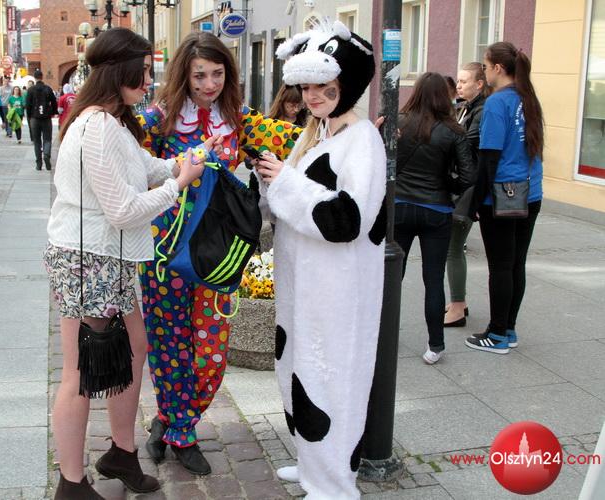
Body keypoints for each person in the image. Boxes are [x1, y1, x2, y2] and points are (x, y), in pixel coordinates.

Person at [44, 27, 217, 499]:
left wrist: (185, 161)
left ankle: (121, 452)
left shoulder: (114, 122)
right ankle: (71, 483)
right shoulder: (97, 126)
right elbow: (122, 210)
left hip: (110, 259)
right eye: (141, 72)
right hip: (88, 260)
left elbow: (145, 167)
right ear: (118, 71)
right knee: (80, 374)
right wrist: (178, 185)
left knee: (135, 348)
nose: (148, 81)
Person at [138, 32, 301, 475]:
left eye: (217, 74)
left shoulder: (238, 118)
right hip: (164, 251)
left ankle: (170, 421)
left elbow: (292, 140)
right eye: (199, 76)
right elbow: (123, 155)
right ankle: (182, 432)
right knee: (168, 344)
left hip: (217, 253)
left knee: (211, 350)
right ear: (183, 76)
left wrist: (344, 132)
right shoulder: (157, 119)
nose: (209, 84)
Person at [253, 22, 386, 498]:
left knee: (332, 378)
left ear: (345, 84)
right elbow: (293, 198)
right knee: (299, 369)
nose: (311, 96)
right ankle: (313, 461)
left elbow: (347, 219)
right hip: (304, 283)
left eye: (322, 86)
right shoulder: (316, 133)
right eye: (306, 87)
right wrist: (269, 178)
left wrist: (284, 181)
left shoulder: (362, 139)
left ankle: (334, 483)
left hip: (337, 289)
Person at [465, 42, 544, 354]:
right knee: (515, 264)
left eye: (485, 67)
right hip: (531, 191)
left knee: (500, 266)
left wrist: (473, 204)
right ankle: (508, 329)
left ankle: (497, 334)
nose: (484, 72)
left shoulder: (497, 102)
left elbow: (489, 158)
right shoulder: (529, 98)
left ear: (498, 68)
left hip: (505, 192)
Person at [394, 72, 475, 364]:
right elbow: (468, 176)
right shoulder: (454, 130)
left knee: (393, 277)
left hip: (400, 206)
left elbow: (384, 162)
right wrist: (446, 186)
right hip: (437, 210)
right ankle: (435, 345)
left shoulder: (398, 123)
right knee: (433, 279)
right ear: (444, 95)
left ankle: (384, 337)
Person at [444, 62, 491, 328]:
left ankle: (458, 306)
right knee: (453, 247)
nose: (459, 86)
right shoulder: (468, 108)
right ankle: (458, 301)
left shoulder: (481, 111)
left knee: (453, 247)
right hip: (465, 186)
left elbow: (467, 144)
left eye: (464, 81)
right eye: (458, 81)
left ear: (479, 84)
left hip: (468, 189)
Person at [26, 68, 57, 170]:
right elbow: (54, 102)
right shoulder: (48, 89)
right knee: (47, 139)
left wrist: (29, 116)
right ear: (42, 77)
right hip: (46, 118)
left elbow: (28, 105)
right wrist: (53, 112)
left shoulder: (31, 90)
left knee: (37, 141)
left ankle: (38, 164)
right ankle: (47, 154)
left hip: (35, 118)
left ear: (34, 78)